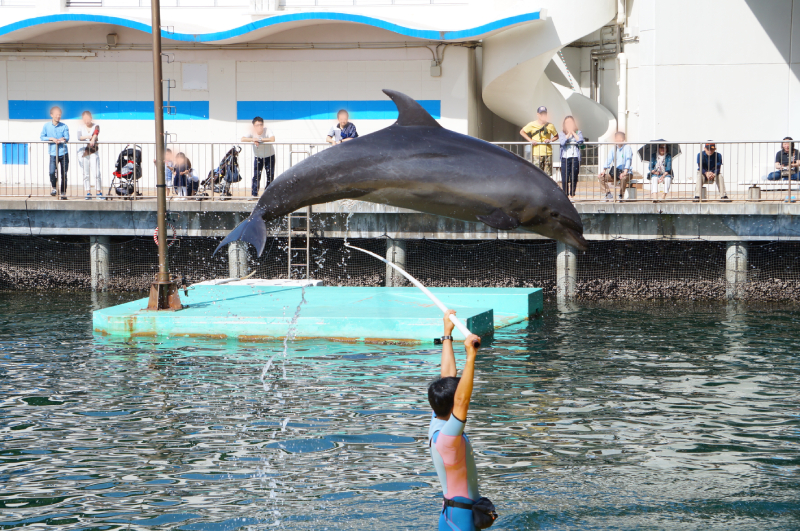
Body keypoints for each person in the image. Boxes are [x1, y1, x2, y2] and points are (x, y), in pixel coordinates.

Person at [428, 310, 494, 531]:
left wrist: (447, 334)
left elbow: (447, 376)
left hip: (452, 514)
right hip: (461, 521)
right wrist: (470, 356)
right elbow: (462, 400)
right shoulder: (449, 438)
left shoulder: (436, 420)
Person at [242, 116, 276, 198]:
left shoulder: (267, 130)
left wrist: (260, 139)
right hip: (258, 157)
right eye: (257, 125)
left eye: (261, 125)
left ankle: (268, 195)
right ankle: (254, 194)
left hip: (269, 156)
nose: (259, 127)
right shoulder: (251, 132)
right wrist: (253, 139)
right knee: (256, 175)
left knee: (270, 176)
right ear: (254, 126)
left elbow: (272, 139)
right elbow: (242, 139)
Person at [40, 106, 69, 199]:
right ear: (51, 115)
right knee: (52, 172)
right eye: (56, 114)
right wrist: (51, 138)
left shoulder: (64, 126)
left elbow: (67, 137)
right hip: (53, 153)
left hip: (63, 153)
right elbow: (42, 137)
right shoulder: (46, 126)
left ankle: (63, 192)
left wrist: (62, 139)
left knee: (63, 174)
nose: (58, 116)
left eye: (59, 115)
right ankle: (54, 188)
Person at [520, 106, 559, 175]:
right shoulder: (532, 124)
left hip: (548, 153)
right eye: (541, 114)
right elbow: (522, 132)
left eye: (544, 114)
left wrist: (550, 140)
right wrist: (530, 140)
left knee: (547, 175)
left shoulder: (550, 125)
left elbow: (556, 136)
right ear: (538, 114)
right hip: (536, 154)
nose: (543, 115)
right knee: (537, 174)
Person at [598, 131, 633, 201]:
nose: (618, 140)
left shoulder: (627, 148)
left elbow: (628, 160)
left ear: (623, 139)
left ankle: (621, 195)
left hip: (626, 173)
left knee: (623, 178)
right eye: (617, 138)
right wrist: (604, 170)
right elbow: (608, 159)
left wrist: (625, 172)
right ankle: (608, 194)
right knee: (601, 177)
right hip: (615, 173)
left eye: (620, 138)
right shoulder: (613, 149)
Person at [76, 111, 102, 200]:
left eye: (88, 118)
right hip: (83, 153)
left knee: (96, 172)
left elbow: (96, 133)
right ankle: (88, 192)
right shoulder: (80, 127)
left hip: (93, 151)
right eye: (85, 119)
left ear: (91, 118)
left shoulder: (96, 126)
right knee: (85, 174)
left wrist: (93, 138)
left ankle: (99, 192)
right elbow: (79, 137)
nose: (87, 121)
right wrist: (88, 136)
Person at [558, 116, 584, 198]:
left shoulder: (578, 132)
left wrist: (573, 132)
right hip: (565, 157)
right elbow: (562, 142)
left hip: (575, 157)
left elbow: (580, 141)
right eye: (567, 123)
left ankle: (572, 194)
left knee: (574, 176)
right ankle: (565, 195)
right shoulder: (562, 133)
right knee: (565, 177)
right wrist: (568, 134)